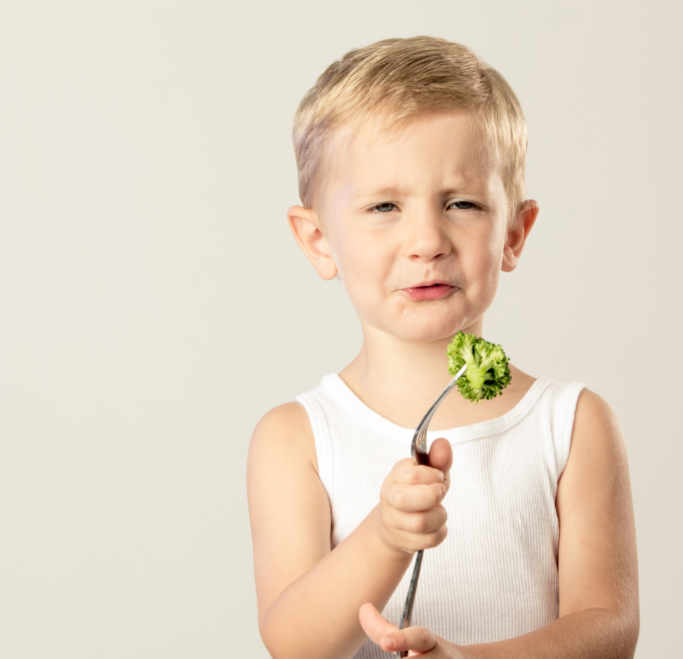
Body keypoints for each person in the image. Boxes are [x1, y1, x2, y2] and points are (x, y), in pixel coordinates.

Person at [247, 36, 639, 659]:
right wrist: (385, 537)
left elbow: (609, 630)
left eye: (462, 203)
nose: (427, 240)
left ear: (514, 232)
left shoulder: (572, 425)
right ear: (319, 240)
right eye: (383, 206)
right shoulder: (296, 438)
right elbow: (295, 644)